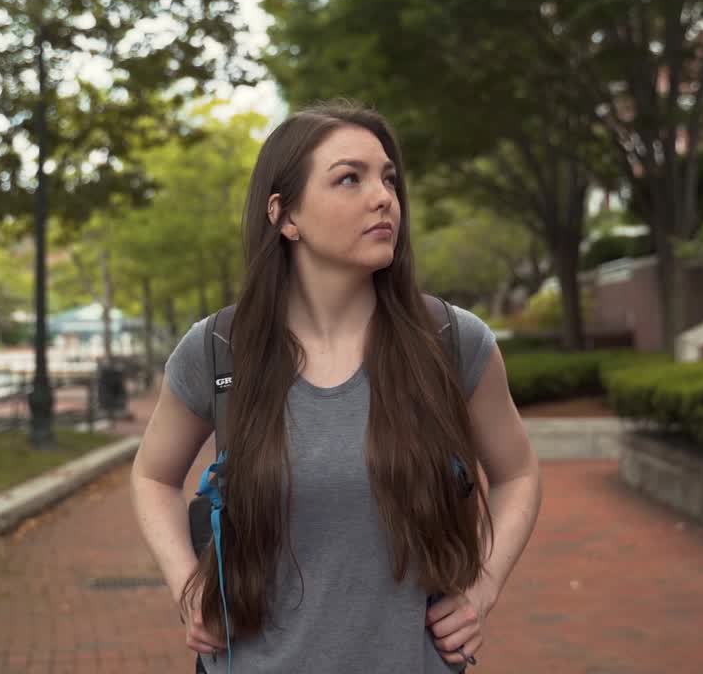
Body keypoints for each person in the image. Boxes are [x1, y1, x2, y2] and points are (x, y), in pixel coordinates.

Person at [130, 102, 542, 673]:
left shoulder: (450, 341)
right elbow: (152, 476)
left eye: (388, 179)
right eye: (350, 178)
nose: (383, 198)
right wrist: (187, 587)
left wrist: (483, 588)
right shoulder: (219, 349)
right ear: (285, 215)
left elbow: (518, 474)